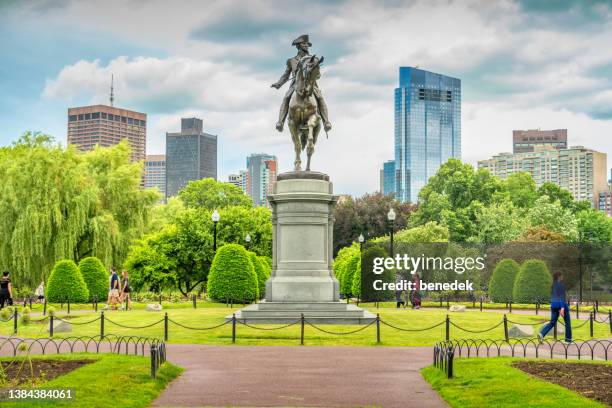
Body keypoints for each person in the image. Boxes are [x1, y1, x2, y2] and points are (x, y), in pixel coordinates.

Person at [271, 34, 332, 133]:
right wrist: (278, 84)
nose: (306, 45)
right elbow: (286, 75)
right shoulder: (291, 61)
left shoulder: (314, 60)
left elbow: (318, 75)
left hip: (310, 84)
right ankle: (280, 122)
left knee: (320, 98)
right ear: (298, 45)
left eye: (307, 44)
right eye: (304, 44)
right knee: (286, 98)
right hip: (296, 84)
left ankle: (326, 122)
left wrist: (314, 75)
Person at [538, 272, 572, 343]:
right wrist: (562, 308)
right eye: (561, 276)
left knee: (552, 322)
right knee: (567, 322)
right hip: (561, 305)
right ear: (559, 277)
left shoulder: (553, 285)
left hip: (554, 305)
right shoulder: (561, 285)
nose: (562, 277)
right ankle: (568, 340)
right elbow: (562, 297)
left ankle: (542, 333)